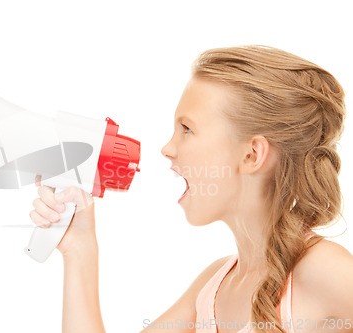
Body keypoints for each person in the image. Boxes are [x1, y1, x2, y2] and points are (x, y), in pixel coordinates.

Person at [29, 45, 353, 333]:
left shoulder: (329, 273)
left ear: (252, 154)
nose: (167, 148)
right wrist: (80, 248)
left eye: (186, 129)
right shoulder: (211, 289)